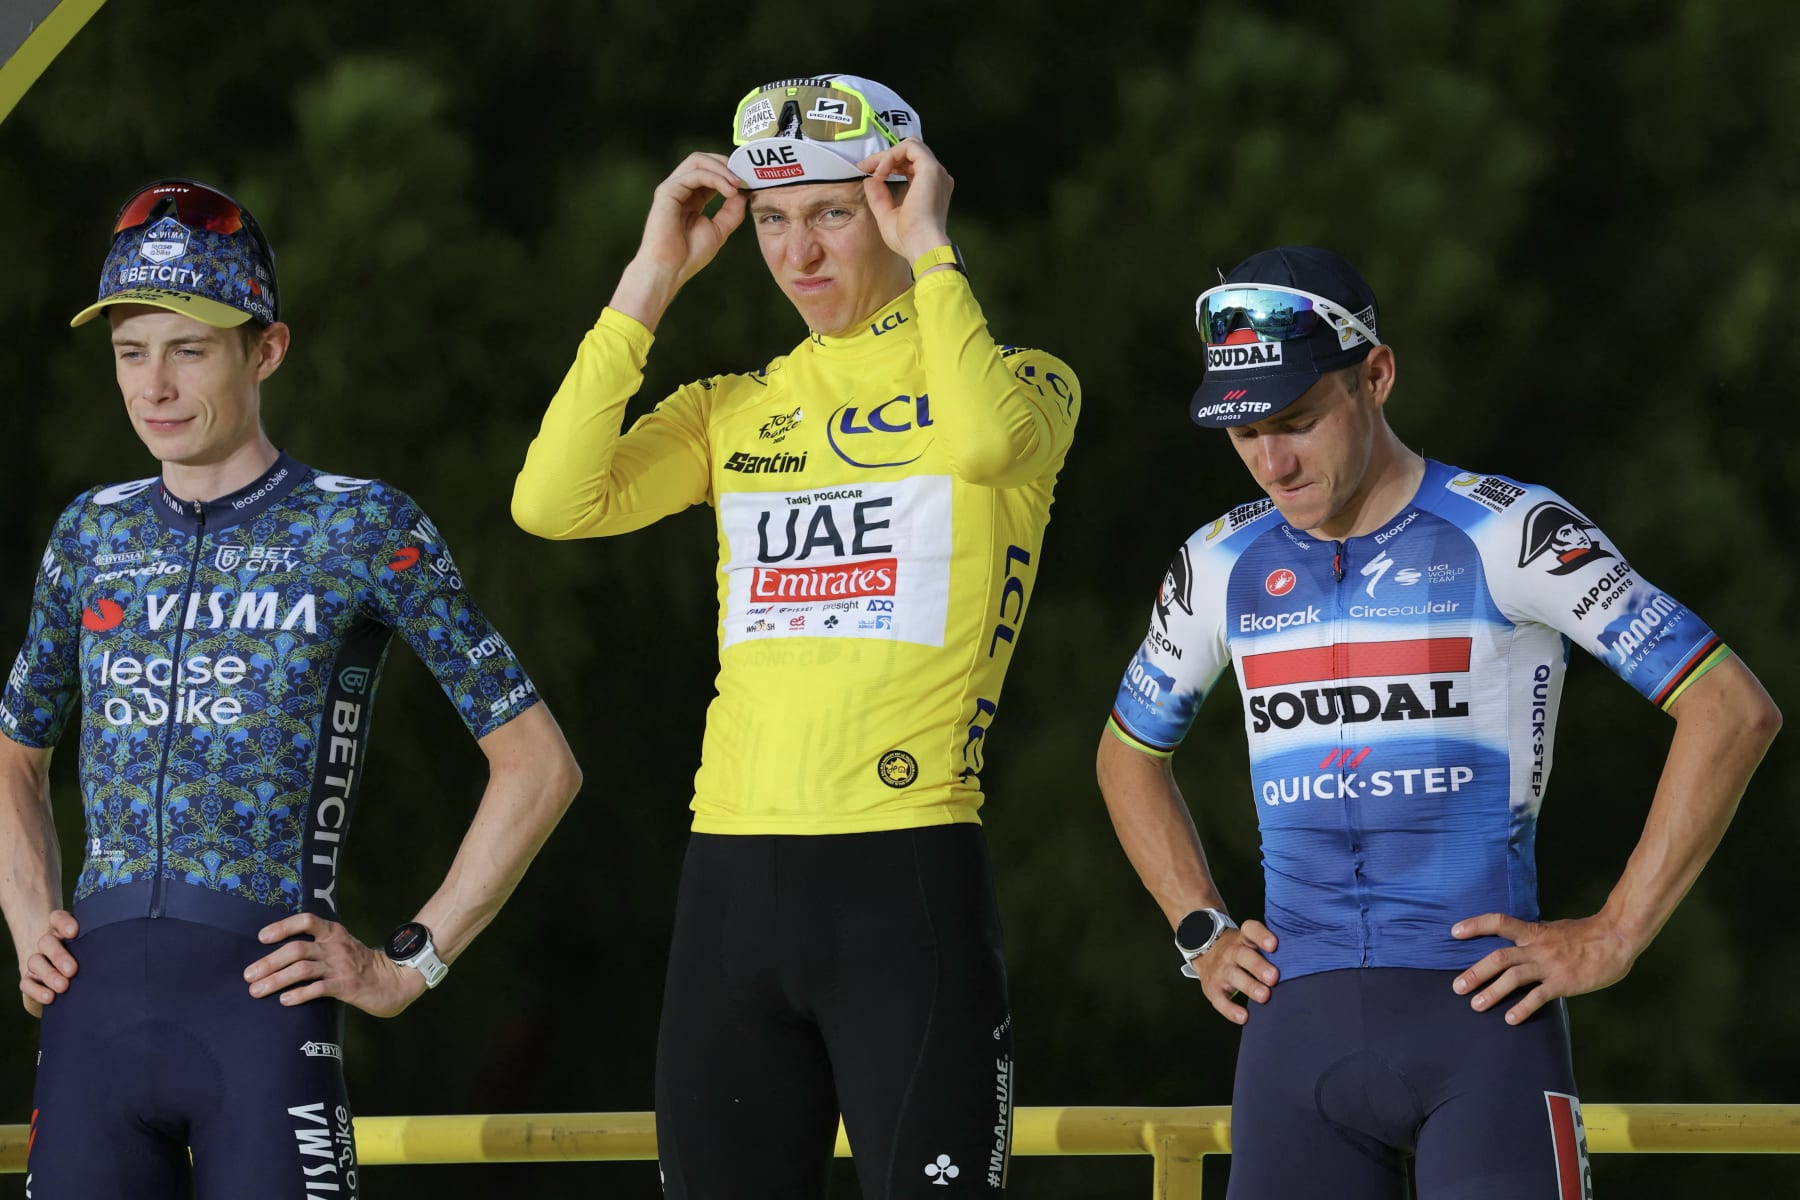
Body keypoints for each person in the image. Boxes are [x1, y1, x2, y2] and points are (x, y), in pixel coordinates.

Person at [1096, 245, 1780, 1198]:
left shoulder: (1509, 530)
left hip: (1481, 1031)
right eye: (1245, 432)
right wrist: (1200, 929)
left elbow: (1731, 708)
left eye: (1296, 421)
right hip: (1294, 1041)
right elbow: (1127, 757)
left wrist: (1617, 933)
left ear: (1376, 374)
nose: (1272, 460)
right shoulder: (1218, 560)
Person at [513, 75, 1079, 1197]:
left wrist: (932, 252)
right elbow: (553, 500)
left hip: (903, 870)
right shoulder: (733, 408)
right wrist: (653, 274)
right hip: (731, 880)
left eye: (830, 211)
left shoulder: (1024, 383)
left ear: (896, 197)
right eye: (772, 220)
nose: (797, 254)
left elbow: (977, 450)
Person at [0, 178, 583, 1199]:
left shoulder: (363, 527)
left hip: (260, 1013)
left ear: (265, 350)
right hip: (90, 1023)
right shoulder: (90, 533)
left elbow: (538, 765)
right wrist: (27, 915)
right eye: (131, 352)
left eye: (189, 349)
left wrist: (409, 965)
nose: (156, 386)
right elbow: (14, 751)